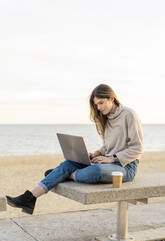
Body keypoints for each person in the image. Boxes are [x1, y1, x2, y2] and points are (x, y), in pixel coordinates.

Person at [6, 83, 144, 215]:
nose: (98, 108)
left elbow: (138, 147)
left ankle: (66, 175)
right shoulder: (106, 118)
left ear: (111, 99)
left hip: (126, 167)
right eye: (96, 105)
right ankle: (29, 198)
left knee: (96, 170)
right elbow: (108, 146)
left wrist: (111, 159)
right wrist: (96, 154)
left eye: (101, 103)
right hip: (108, 162)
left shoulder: (129, 114)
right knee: (69, 162)